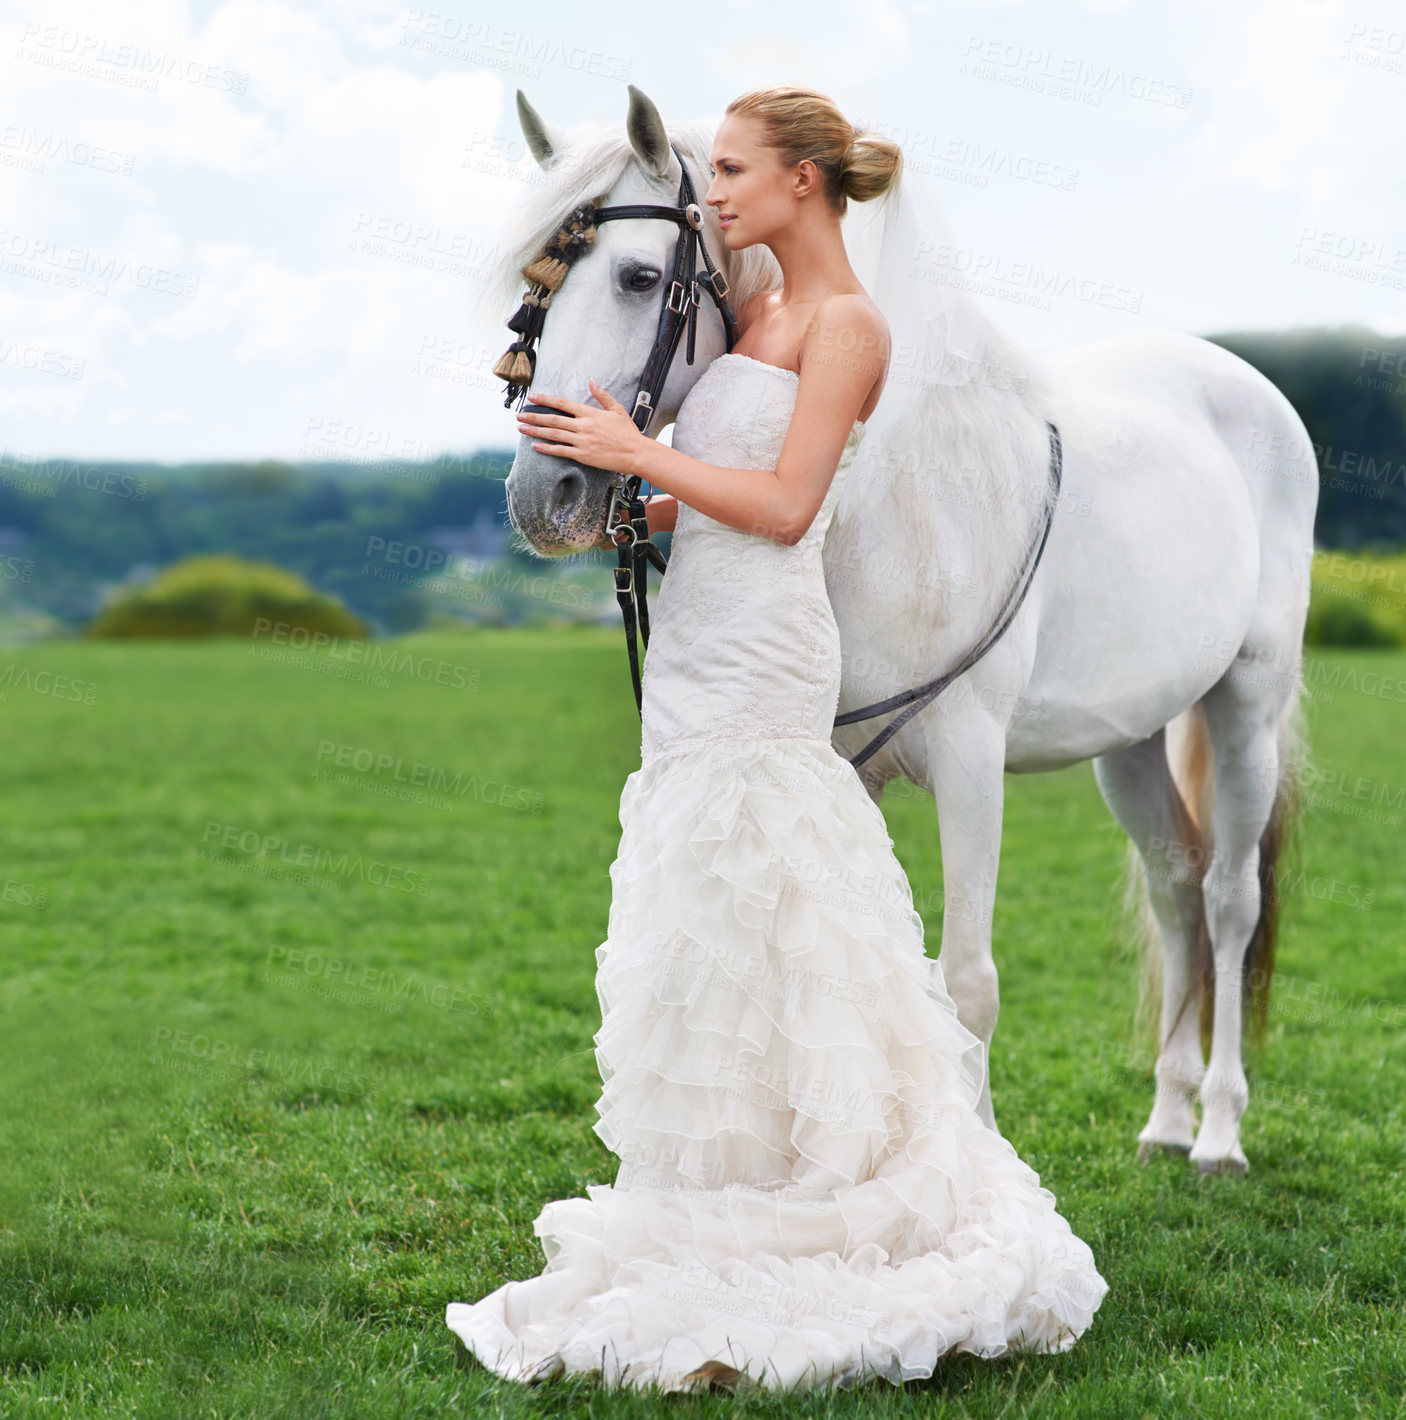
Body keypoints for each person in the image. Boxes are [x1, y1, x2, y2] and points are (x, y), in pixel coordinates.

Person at [445, 84, 1107, 1393]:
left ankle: (850, 1188)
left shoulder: (853, 328)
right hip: (700, 625)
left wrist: (641, 451)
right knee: (709, 910)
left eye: (737, 171)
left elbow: (793, 503)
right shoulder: (752, 310)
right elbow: (728, 495)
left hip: (765, 647)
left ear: (802, 182)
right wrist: (641, 511)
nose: (718, 191)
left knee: (778, 886)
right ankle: (735, 1181)